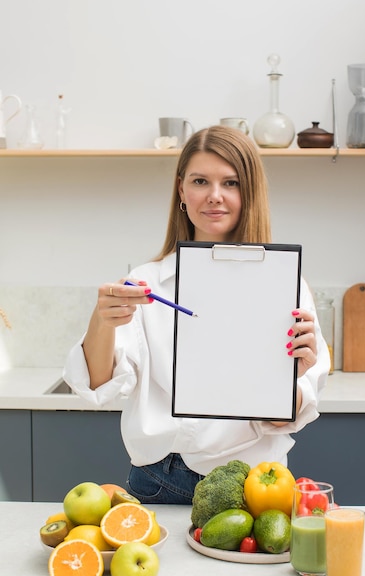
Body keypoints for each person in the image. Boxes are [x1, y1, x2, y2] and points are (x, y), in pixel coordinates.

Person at [64, 126, 330, 505]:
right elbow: (98, 386)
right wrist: (102, 320)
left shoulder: (287, 284)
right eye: (201, 181)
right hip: (156, 479)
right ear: (181, 191)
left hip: (253, 485)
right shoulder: (147, 282)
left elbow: (287, 415)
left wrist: (290, 381)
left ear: (249, 192)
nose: (215, 196)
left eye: (231, 183)